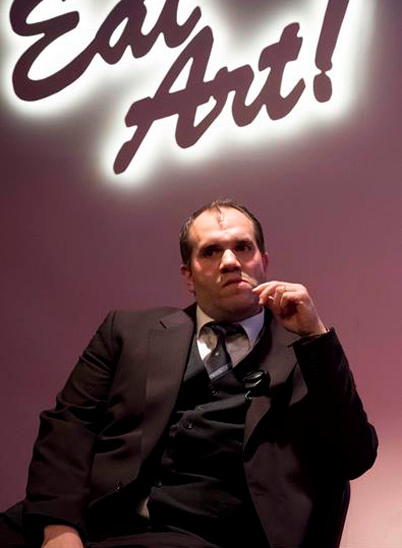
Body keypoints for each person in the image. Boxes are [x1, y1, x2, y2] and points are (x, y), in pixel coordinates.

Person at [2, 199, 378, 548]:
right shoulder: (126, 331)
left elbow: (355, 456)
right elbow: (69, 426)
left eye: (242, 247)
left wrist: (315, 337)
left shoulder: (305, 352)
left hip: (203, 535)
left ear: (263, 261)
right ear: (188, 275)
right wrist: (59, 528)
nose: (230, 262)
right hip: (92, 515)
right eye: (211, 251)